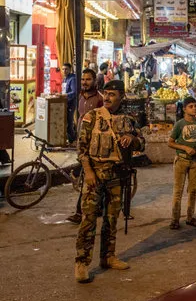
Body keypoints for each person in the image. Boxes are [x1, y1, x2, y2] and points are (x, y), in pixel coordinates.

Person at [74, 80, 145, 283]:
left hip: (116, 175)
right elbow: (82, 149)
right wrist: (88, 171)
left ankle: (108, 256)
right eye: (106, 93)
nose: (107, 97)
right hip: (95, 175)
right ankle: (82, 262)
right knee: (88, 221)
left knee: (111, 219)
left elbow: (142, 142)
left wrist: (132, 139)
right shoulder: (92, 117)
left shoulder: (128, 120)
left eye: (112, 94)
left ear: (121, 96)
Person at [67, 69, 104, 224]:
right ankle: (96, 207)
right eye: (83, 79)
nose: (84, 82)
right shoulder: (81, 97)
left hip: (94, 144)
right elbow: (80, 116)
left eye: (88, 79)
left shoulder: (100, 99)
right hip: (82, 142)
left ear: (95, 80)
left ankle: (80, 211)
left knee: (86, 177)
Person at [168, 97, 196, 230]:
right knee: (178, 191)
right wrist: (185, 148)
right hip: (181, 160)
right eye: (191, 106)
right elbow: (170, 142)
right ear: (184, 109)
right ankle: (175, 219)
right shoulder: (179, 124)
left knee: (193, 190)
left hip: (195, 161)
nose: (195, 108)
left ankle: (190, 217)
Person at [62, 63, 77, 144]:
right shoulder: (65, 79)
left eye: (66, 69)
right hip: (65, 103)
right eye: (63, 69)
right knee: (67, 121)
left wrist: (65, 95)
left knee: (69, 121)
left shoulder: (72, 79)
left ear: (70, 69)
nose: (64, 71)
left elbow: (74, 92)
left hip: (71, 103)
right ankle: (70, 138)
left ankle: (73, 139)